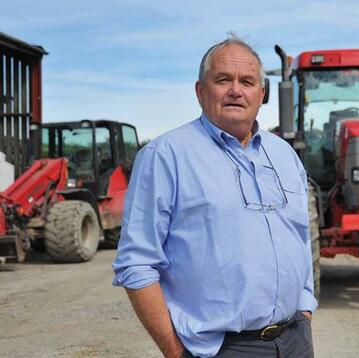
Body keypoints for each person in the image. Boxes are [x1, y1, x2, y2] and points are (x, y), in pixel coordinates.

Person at [112, 36, 317, 358]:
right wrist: (175, 351)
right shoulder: (166, 155)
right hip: (219, 349)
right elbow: (136, 262)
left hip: (294, 340)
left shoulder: (284, 154)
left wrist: (304, 308)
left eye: (247, 82)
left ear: (261, 94)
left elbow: (300, 236)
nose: (236, 90)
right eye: (223, 80)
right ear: (200, 91)